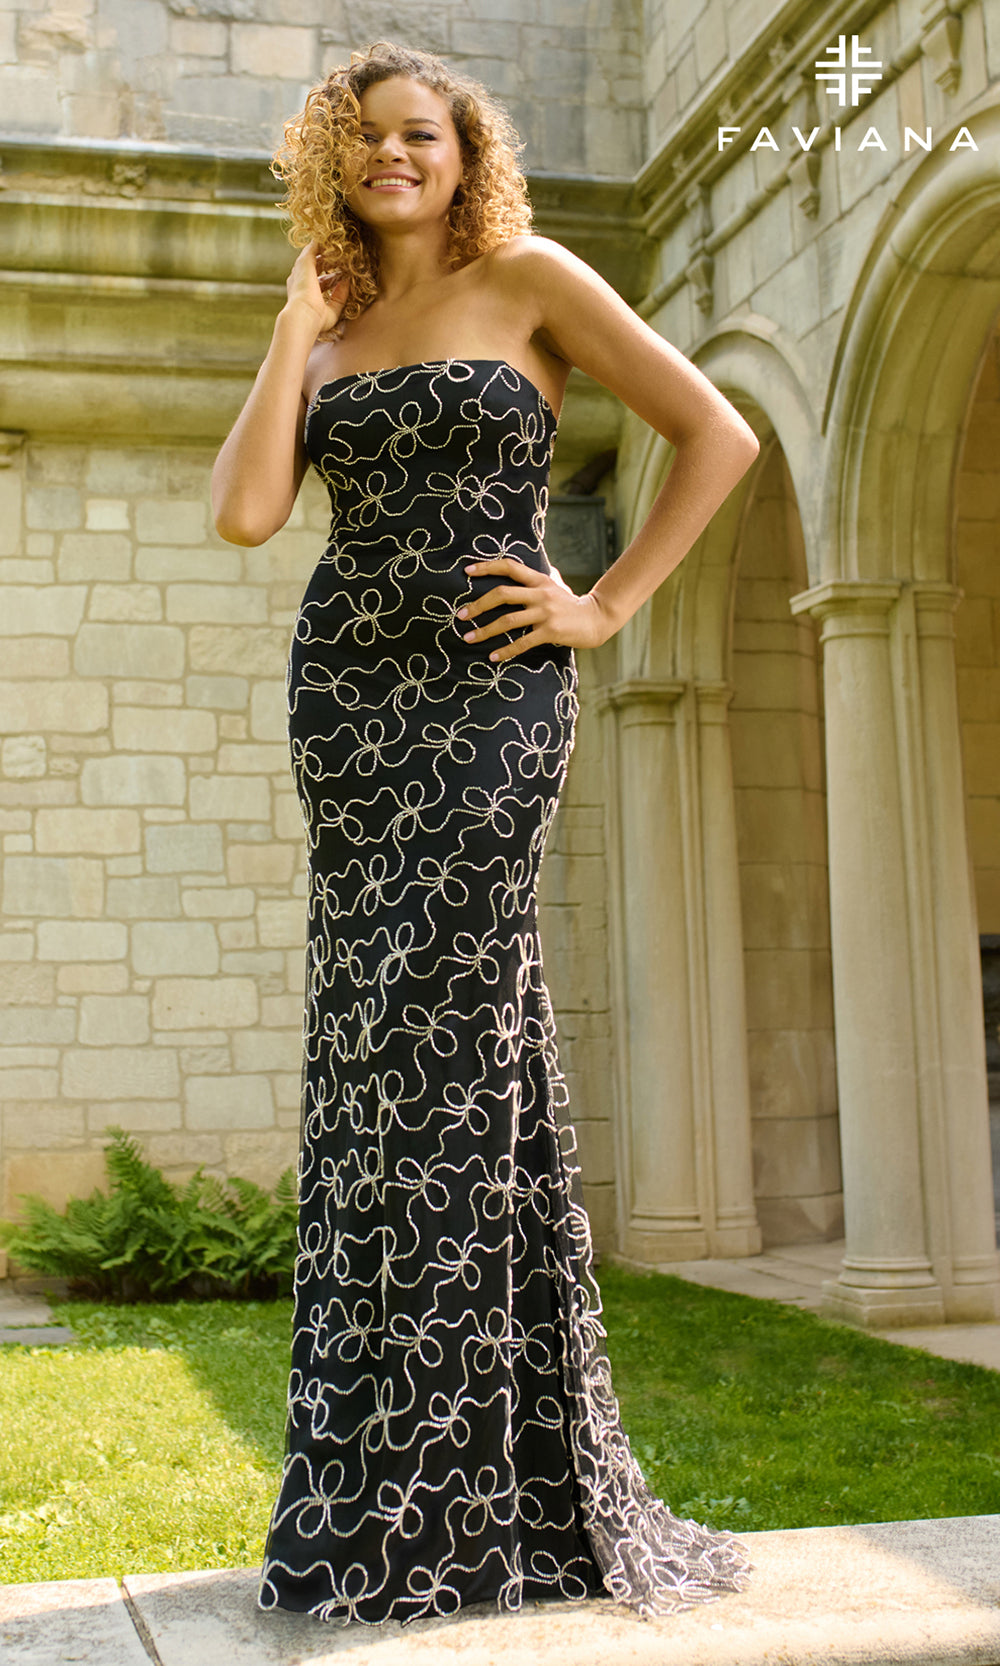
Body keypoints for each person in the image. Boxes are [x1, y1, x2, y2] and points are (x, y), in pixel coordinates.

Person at [212, 40, 759, 1628]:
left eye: (423, 135)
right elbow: (249, 514)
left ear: (465, 154)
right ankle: (414, 1486)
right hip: (349, 715)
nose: (397, 157)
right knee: (386, 1063)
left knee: (443, 1051)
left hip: (488, 712)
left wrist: (600, 602)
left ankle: (451, 1499)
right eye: (368, 138)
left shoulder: (527, 275)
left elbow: (715, 432)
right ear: (336, 159)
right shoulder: (331, 322)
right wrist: (290, 326)